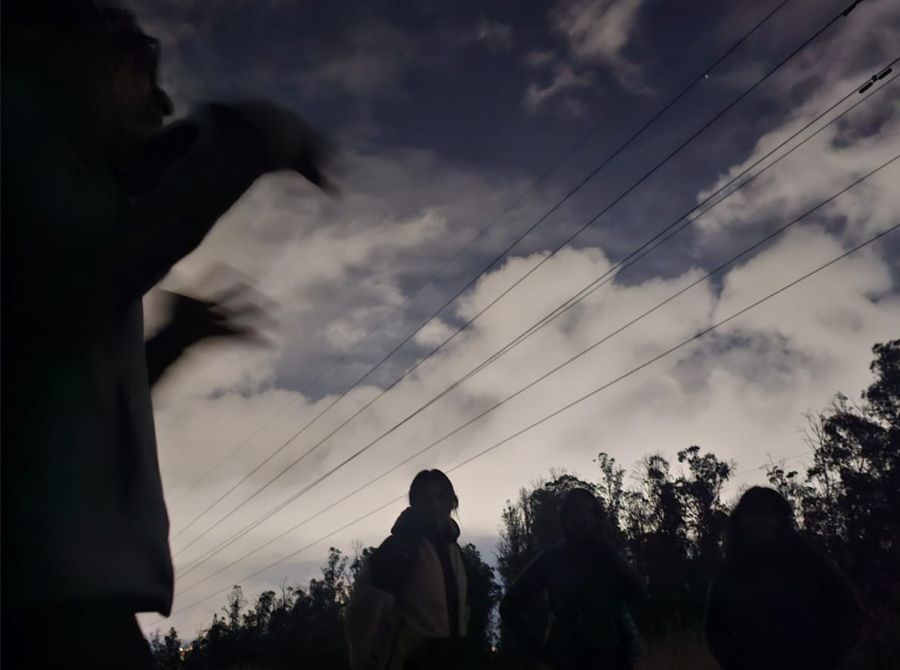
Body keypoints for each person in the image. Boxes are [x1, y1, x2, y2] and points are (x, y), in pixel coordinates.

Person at [0, 1, 332, 666]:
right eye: (143, 74)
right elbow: (83, 279)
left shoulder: (65, 181)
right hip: (42, 598)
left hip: (59, 589)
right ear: (96, 60)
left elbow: (55, 387)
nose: (159, 101)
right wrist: (241, 142)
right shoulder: (22, 137)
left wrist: (173, 345)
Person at [704, 486, 862, 670]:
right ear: (739, 521)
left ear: (780, 520)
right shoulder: (730, 571)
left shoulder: (810, 561)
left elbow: (849, 611)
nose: (759, 521)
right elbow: (715, 628)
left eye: (767, 515)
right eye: (751, 514)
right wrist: (735, 662)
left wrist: (826, 656)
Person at [500, 488, 644, 670]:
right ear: (565, 518)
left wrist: (609, 551)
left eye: (588, 512)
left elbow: (638, 593)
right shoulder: (550, 559)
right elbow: (509, 605)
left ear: (595, 518)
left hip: (613, 656)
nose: (582, 518)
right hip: (568, 658)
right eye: (576, 511)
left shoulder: (608, 555)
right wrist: (538, 651)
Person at [346, 470, 469, 670]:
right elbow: (362, 615)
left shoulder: (454, 551)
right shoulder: (398, 549)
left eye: (441, 498)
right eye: (427, 498)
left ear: (451, 502)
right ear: (415, 503)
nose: (435, 505)